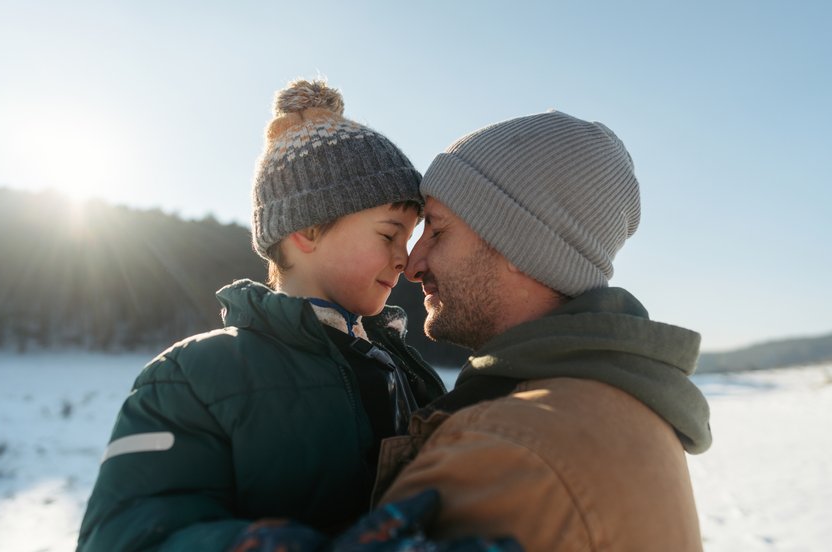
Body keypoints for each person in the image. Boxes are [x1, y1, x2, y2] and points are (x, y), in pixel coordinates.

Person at [76, 79, 446, 551]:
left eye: (409, 238)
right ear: (307, 229)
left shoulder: (403, 370)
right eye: (390, 234)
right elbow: (124, 535)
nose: (404, 259)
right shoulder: (194, 375)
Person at [369, 110, 714, 551]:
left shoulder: (513, 449)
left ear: (518, 245)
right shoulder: (622, 405)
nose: (413, 264)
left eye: (437, 229)